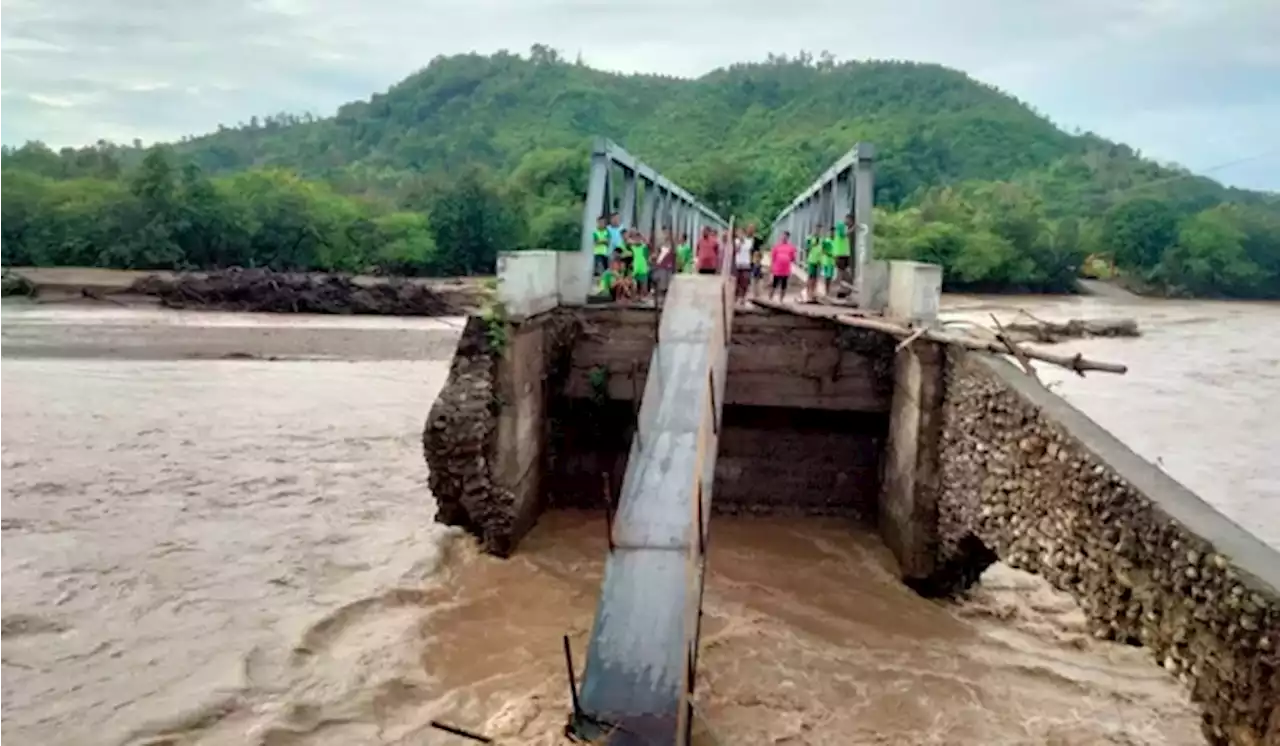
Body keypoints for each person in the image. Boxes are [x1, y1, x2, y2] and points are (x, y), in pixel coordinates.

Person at [769, 231, 797, 301]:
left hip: (786, 270)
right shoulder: (777, 246)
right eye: (783, 236)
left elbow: (793, 258)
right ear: (781, 237)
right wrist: (771, 267)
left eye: (786, 236)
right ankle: (770, 299)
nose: (784, 238)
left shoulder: (791, 247)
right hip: (777, 269)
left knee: (784, 286)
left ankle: (781, 300)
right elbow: (773, 258)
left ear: (788, 238)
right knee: (774, 285)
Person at [652, 229, 675, 300]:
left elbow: (674, 256)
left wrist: (674, 267)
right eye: (664, 233)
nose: (666, 235)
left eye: (667, 233)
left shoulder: (672, 244)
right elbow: (656, 254)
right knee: (662, 283)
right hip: (662, 266)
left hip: (669, 267)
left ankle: (667, 298)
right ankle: (661, 298)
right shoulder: (660, 244)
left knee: (669, 284)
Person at [834, 213, 854, 294]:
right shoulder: (840, 225)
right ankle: (840, 289)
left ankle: (844, 290)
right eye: (850, 221)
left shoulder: (845, 227)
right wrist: (854, 228)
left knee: (846, 273)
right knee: (841, 273)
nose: (850, 223)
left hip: (845, 254)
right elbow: (843, 235)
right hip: (840, 253)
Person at [628, 229, 650, 298]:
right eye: (635, 238)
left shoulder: (644, 247)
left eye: (638, 238)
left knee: (644, 286)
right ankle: (634, 298)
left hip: (643, 268)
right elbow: (627, 242)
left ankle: (643, 297)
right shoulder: (632, 247)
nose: (637, 240)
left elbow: (648, 244)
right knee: (634, 285)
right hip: (635, 269)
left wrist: (642, 237)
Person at [733, 228, 753, 303]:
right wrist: (740, 243)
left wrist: (743, 241)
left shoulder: (749, 241)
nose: (739, 235)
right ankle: (736, 297)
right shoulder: (736, 241)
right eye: (738, 233)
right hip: (738, 264)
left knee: (745, 281)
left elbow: (749, 249)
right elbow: (736, 250)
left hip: (746, 264)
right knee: (736, 282)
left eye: (741, 233)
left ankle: (743, 298)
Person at [805, 228, 825, 301]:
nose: (818, 232)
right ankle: (808, 292)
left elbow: (822, 249)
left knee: (815, 278)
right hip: (811, 260)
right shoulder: (810, 239)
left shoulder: (822, 240)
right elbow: (807, 249)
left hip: (818, 260)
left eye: (819, 230)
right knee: (810, 276)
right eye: (816, 230)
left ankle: (813, 291)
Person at [747, 223, 765, 298]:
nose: (750, 230)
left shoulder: (757, 239)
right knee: (750, 277)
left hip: (755, 259)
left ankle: (756, 294)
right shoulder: (745, 239)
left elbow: (761, 249)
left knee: (756, 277)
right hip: (748, 260)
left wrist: (759, 258)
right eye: (749, 229)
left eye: (752, 229)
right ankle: (752, 293)